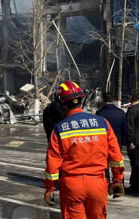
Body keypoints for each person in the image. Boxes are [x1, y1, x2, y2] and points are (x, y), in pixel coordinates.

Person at [44, 81, 124, 219]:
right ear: (81, 100)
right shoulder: (102, 123)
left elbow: (52, 164)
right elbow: (116, 156)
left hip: (71, 186)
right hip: (97, 184)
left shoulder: (60, 129)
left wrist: (50, 187)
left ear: (62, 104)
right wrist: (117, 180)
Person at [126, 89, 139, 193]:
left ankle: (134, 186)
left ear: (131, 97)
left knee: (135, 165)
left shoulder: (132, 110)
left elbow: (130, 128)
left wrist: (131, 142)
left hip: (135, 142)